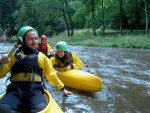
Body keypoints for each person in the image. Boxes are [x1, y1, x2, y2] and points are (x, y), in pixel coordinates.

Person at [0, 26, 71, 113]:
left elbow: (51, 75)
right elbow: (1, 75)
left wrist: (62, 88)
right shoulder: (12, 56)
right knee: (2, 108)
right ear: (22, 40)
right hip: (15, 90)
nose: (34, 42)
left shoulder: (42, 57)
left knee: (40, 109)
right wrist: (1, 63)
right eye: (30, 39)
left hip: (35, 90)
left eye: (36, 39)